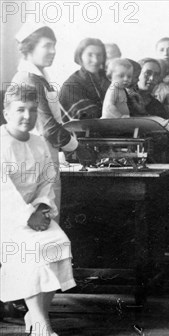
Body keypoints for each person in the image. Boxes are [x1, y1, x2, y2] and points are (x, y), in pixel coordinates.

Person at [1, 85, 76, 336]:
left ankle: (35, 314)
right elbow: (4, 192)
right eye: (20, 109)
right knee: (32, 253)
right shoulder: (1, 144)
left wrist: (43, 207)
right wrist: (27, 216)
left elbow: (47, 179)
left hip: (36, 211)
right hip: (8, 216)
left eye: (33, 110)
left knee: (58, 243)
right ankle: (42, 324)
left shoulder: (38, 142)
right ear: (6, 112)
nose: (27, 116)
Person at [11, 23, 91, 219]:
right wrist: (77, 147)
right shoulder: (28, 79)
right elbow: (48, 128)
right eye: (47, 46)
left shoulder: (38, 78)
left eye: (54, 46)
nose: (53, 51)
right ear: (29, 47)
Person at [60, 38, 111, 120]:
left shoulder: (110, 78)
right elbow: (88, 120)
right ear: (80, 56)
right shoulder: (71, 85)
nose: (95, 60)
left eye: (99, 55)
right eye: (90, 55)